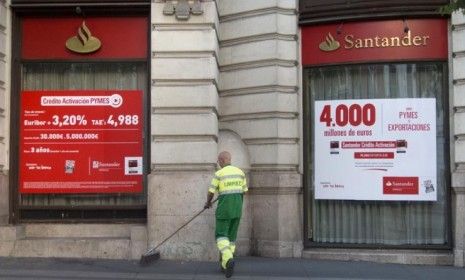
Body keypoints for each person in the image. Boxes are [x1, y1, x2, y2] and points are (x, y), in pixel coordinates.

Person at [204, 151, 248, 278]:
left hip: (224, 210)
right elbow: (244, 191)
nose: (218, 163)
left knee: (221, 235)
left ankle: (228, 259)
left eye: (218, 161)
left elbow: (211, 191)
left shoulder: (219, 174)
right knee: (231, 237)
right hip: (237, 209)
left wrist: (208, 203)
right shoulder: (240, 173)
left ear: (222, 160)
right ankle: (225, 265)